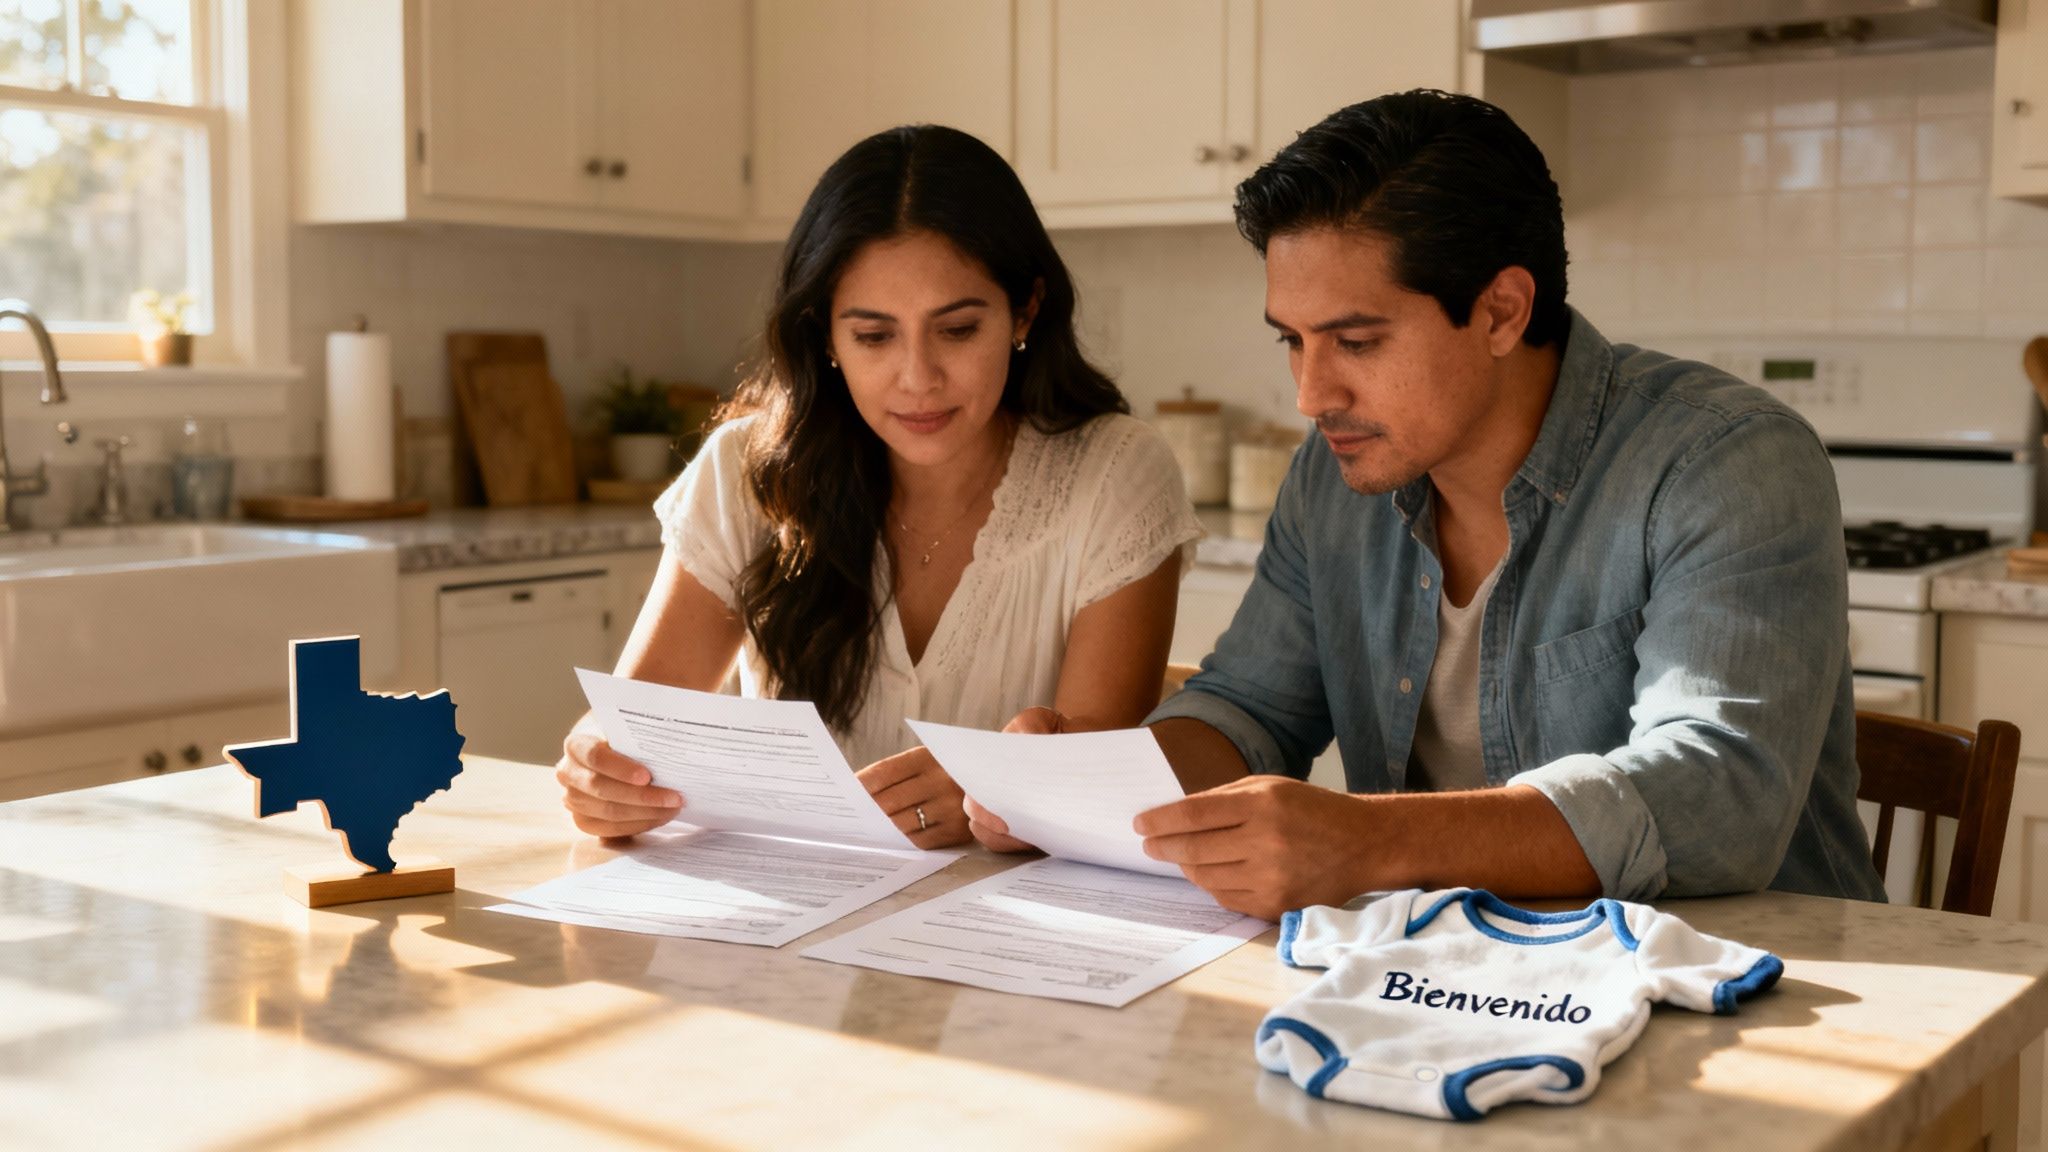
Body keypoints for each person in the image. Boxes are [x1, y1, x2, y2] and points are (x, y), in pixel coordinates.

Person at [971, 90, 1887, 919]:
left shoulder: (1725, 460)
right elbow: (1250, 708)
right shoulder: (1333, 475)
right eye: (1292, 340)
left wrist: (1371, 840)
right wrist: (1082, 787)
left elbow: (1718, 794)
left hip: (1767, 986)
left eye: (1356, 341)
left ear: (1501, 312)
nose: (1311, 393)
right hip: (1457, 979)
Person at [557, 125, 1202, 849]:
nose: (918, 378)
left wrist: (1000, 794)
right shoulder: (744, 471)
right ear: (825, 336)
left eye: (958, 330)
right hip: (789, 910)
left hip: (1016, 916)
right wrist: (599, 767)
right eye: (873, 336)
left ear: (1024, 311)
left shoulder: (1116, 474)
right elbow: (632, 725)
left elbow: (1099, 782)